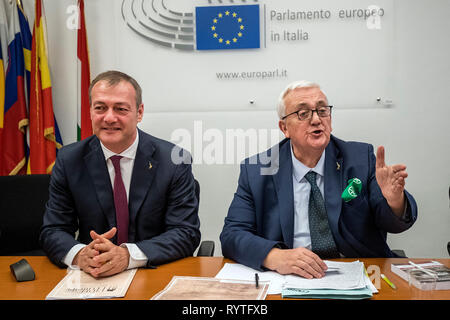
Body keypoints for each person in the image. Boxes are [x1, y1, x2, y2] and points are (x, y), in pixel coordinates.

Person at [220, 80, 417, 279]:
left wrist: (394, 201)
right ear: (284, 127)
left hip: (356, 273)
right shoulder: (257, 171)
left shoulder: (359, 159)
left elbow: (393, 223)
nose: (316, 120)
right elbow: (232, 235)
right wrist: (275, 257)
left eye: (322, 110)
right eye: (303, 113)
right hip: (289, 277)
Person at [40, 70, 201, 277]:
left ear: (139, 113)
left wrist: (127, 256)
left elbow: (185, 233)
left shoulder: (174, 160)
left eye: (120, 109)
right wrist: (80, 255)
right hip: (92, 276)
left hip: (152, 272)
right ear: (90, 111)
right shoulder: (69, 160)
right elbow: (53, 230)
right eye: (100, 108)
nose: (109, 117)